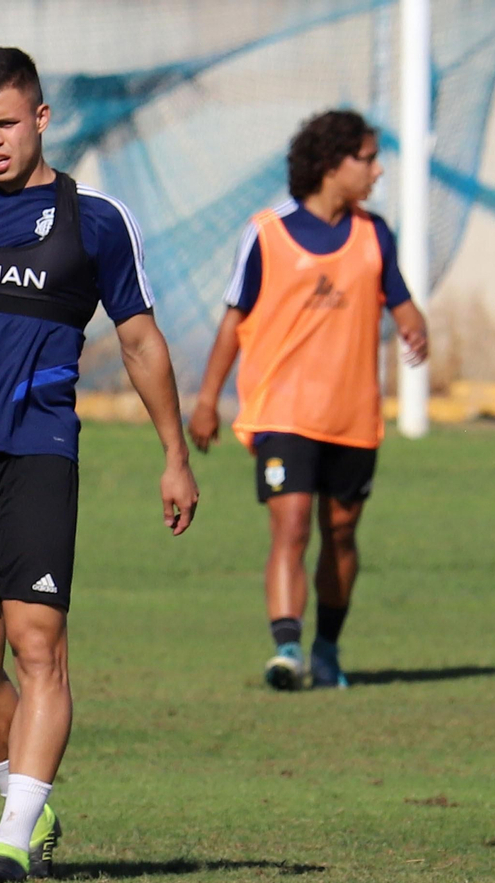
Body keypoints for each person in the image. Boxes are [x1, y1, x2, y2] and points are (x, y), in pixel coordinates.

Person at [0, 48, 199, 883]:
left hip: (39, 454)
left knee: (38, 644)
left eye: (7, 123)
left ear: (42, 119)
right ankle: (29, 796)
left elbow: (138, 340)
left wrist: (174, 454)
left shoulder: (95, 221)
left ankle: (11, 838)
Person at [187, 109, 428, 691]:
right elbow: (232, 322)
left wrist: (416, 325)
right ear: (329, 164)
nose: (376, 170)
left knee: (341, 533)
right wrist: (206, 399)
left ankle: (327, 649)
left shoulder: (375, 235)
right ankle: (287, 648)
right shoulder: (266, 233)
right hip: (281, 412)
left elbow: (401, 301)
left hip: (351, 415)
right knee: (292, 527)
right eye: (366, 158)